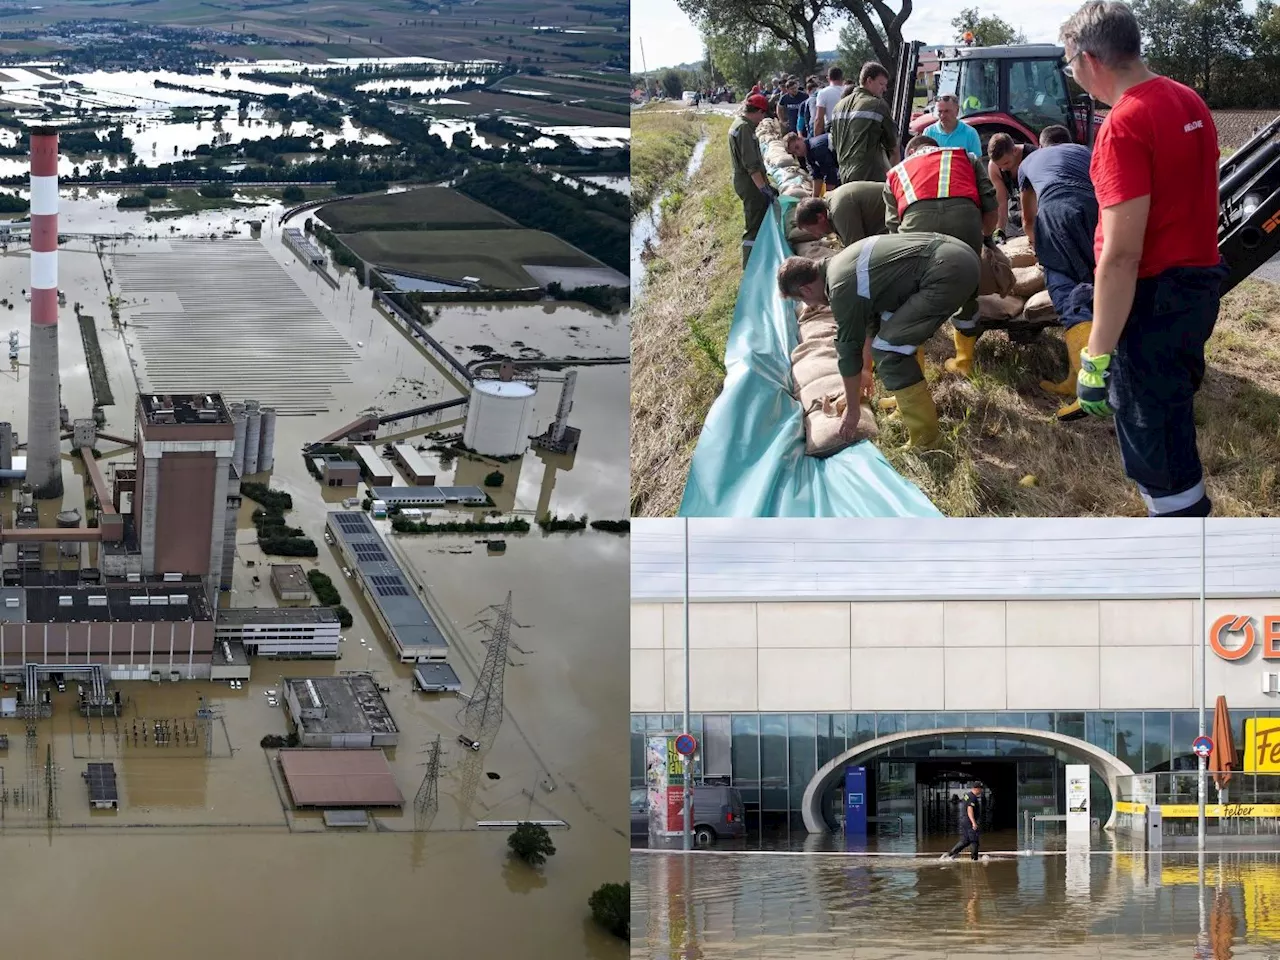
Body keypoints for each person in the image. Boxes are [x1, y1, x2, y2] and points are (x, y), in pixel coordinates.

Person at [1061, 0, 1226, 517]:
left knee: (1156, 444)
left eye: (1070, 65)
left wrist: (1096, 353)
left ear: (1090, 60)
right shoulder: (1186, 98)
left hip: (1152, 299)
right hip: (1197, 285)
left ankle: (1185, 554)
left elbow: (1121, 255)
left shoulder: (1123, 124)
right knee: (1171, 416)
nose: (1074, 77)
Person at [776, 232, 981, 450]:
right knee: (894, 328)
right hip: (960, 252)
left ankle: (926, 441)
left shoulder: (840, 287)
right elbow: (871, 323)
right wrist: (866, 370)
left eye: (803, 299)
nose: (810, 305)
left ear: (806, 289)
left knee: (890, 350)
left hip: (947, 270)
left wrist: (853, 410)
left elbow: (848, 352)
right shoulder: (839, 264)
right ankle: (906, 402)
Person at [884, 135, 999, 376]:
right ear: (936, 148)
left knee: (911, 298)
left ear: (911, 151)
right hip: (965, 222)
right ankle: (964, 363)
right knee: (967, 289)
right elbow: (990, 201)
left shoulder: (896, 172)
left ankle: (914, 375)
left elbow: (894, 228)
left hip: (917, 227)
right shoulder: (965, 157)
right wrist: (986, 238)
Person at [1016, 122, 1100, 421]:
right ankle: (1084, 373)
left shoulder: (1029, 162)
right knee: (1098, 288)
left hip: (1057, 211)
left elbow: (1028, 218)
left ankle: (1086, 389)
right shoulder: (1086, 151)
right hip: (1099, 211)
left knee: (1065, 289)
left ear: (1042, 145)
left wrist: (1041, 248)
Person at [729, 93, 779, 268]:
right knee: (754, 224)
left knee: (757, 219)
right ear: (757, 111)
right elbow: (751, 165)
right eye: (762, 114)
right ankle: (750, 265)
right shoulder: (744, 129)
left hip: (747, 182)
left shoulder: (740, 124)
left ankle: (759, 257)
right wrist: (764, 188)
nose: (762, 119)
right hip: (750, 185)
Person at [829, 62, 900, 184]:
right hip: (870, 176)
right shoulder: (877, 104)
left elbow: (833, 142)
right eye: (881, 84)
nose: (884, 88)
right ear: (869, 80)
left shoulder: (838, 106)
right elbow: (893, 144)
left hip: (844, 174)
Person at [793, 182, 886, 244]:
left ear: (820, 217)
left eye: (813, 231)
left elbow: (858, 249)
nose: (816, 235)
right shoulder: (830, 203)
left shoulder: (839, 210)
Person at [986, 133, 1037, 241]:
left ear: (1014, 151)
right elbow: (1001, 202)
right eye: (1000, 166)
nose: (1003, 169)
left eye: (1006, 163)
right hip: (1017, 206)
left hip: (1038, 204)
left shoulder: (1034, 156)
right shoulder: (994, 167)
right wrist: (999, 229)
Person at [784, 131, 840, 197]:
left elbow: (831, 175)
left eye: (797, 147)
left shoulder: (816, 148)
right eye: (795, 152)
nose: (798, 152)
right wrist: (814, 197)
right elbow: (817, 176)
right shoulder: (808, 154)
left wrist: (826, 198)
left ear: (800, 139)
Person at [943, 784, 983, 861]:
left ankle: (950, 855)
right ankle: (974, 859)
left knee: (966, 841)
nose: (981, 791)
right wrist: (973, 822)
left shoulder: (967, 795)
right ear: (977, 788)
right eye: (981, 789)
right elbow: (969, 809)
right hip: (969, 821)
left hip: (965, 821)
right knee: (974, 841)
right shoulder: (972, 797)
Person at [814, 67, 845, 136]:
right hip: (848, 129)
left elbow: (819, 118)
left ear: (828, 78)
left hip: (832, 130)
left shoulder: (823, 93)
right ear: (842, 78)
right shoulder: (850, 91)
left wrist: (816, 138)